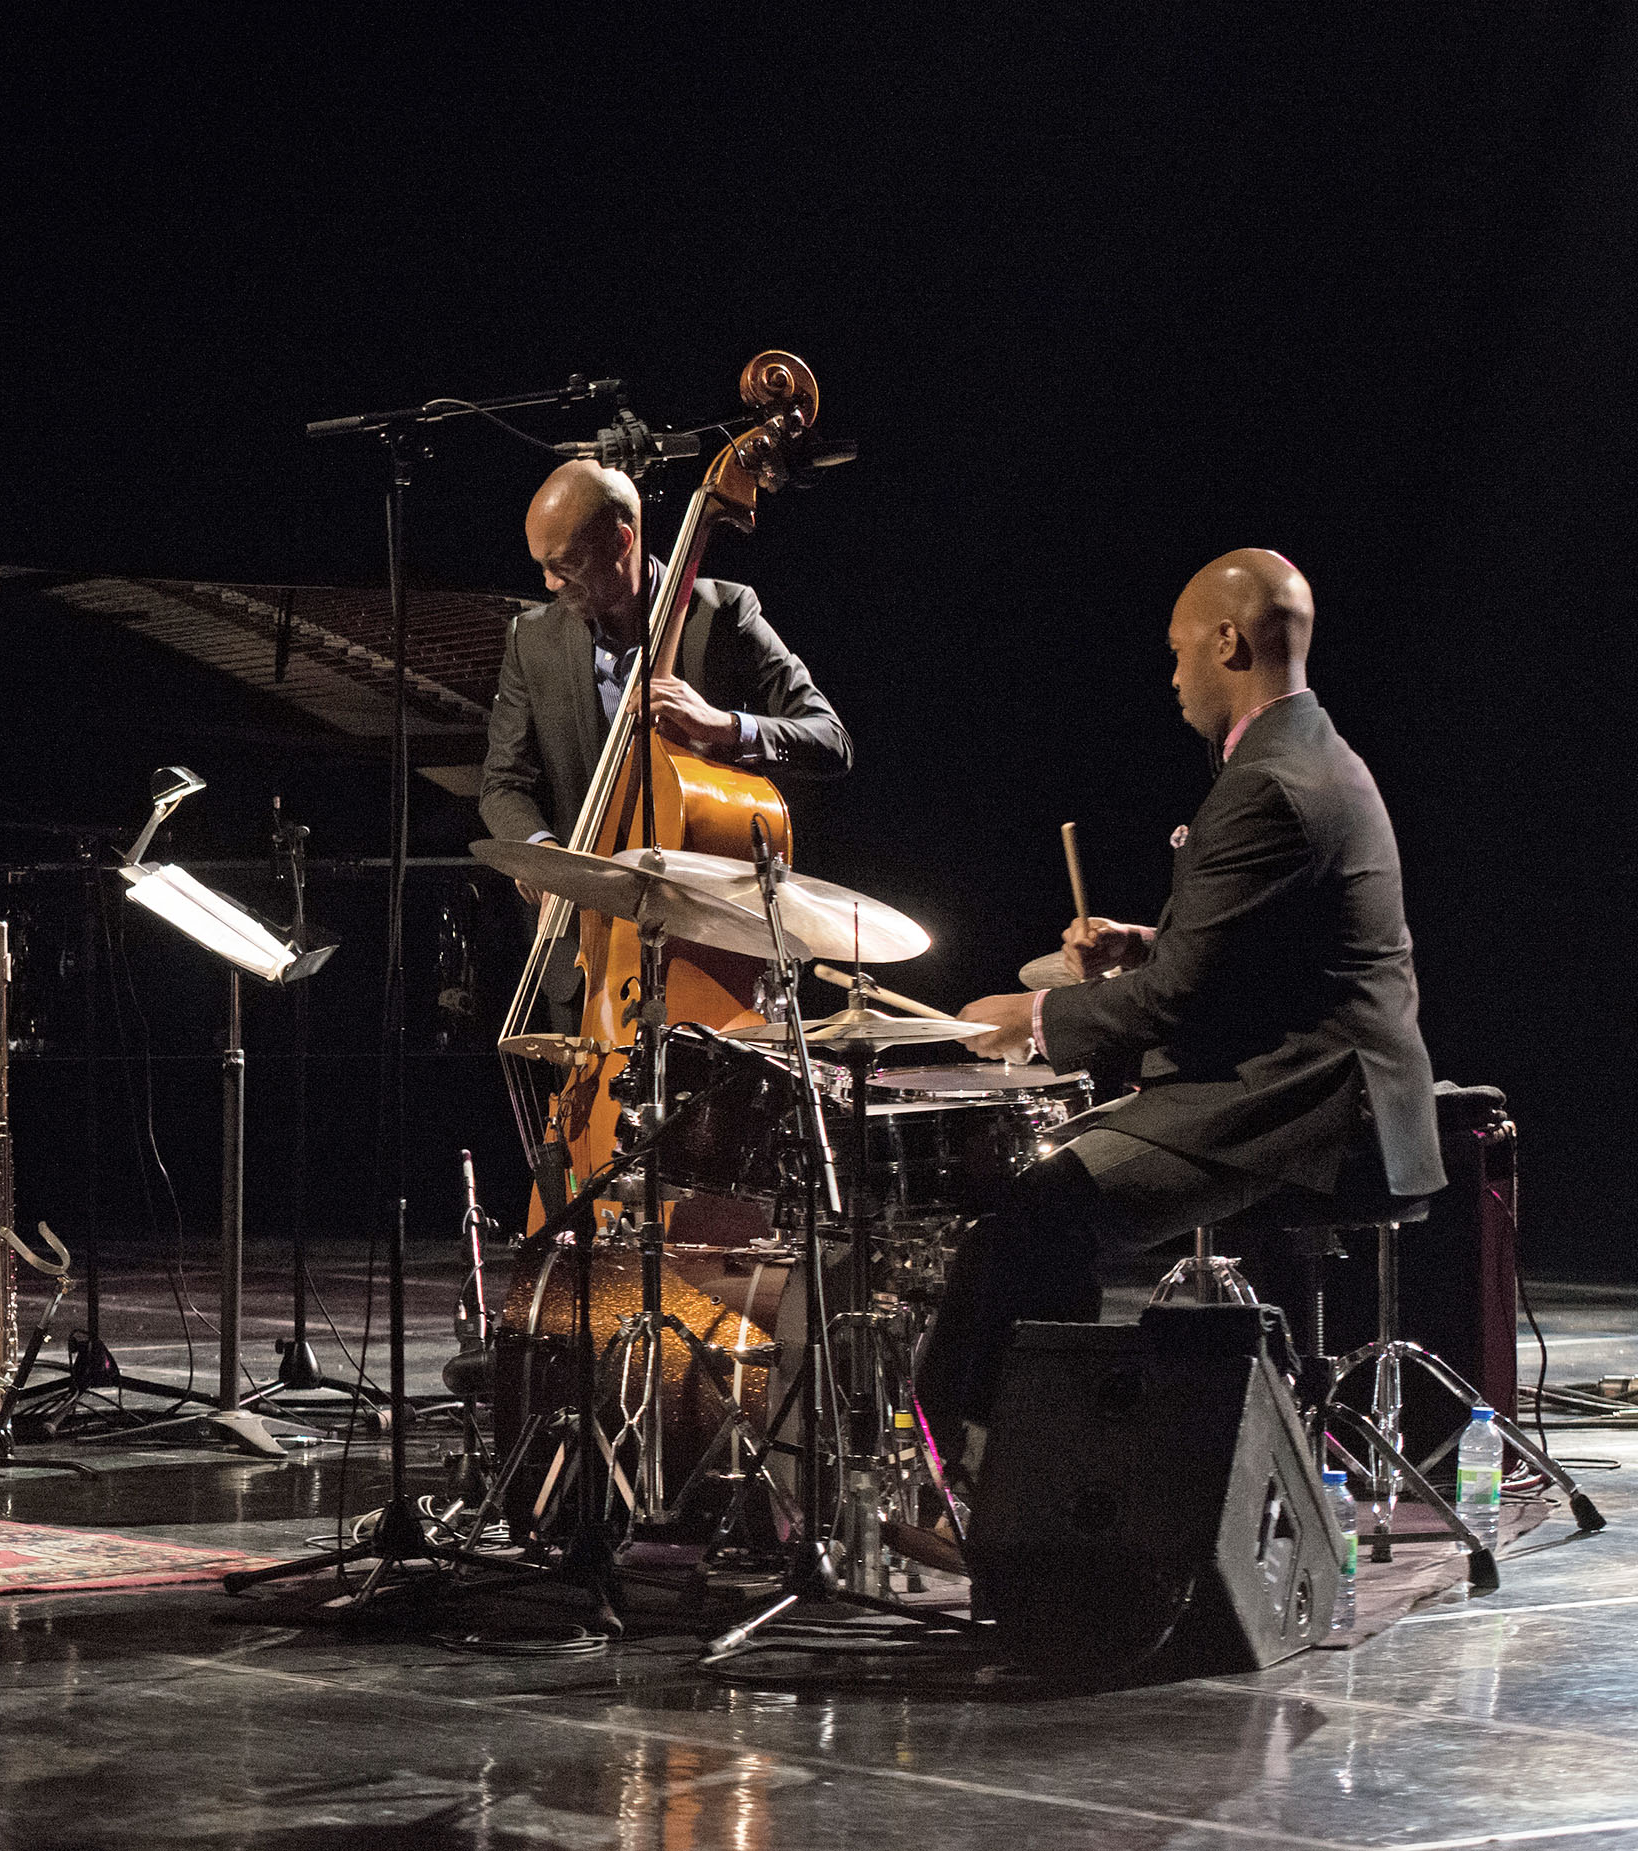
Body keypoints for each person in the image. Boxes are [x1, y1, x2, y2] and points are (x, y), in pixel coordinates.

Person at [922, 549, 1443, 1472]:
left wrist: (1036, 1019)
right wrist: (1143, 944)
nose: (1172, 676)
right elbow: (1255, 958)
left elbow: (1178, 1001)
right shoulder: (1314, 755)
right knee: (1041, 1196)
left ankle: (995, 1474)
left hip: (1305, 1108)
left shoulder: (1266, 786)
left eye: (1177, 651)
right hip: (1321, 1085)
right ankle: (995, 1465)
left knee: (1039, 1206)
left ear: (1229, 642)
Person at [480, 457, 850, 864]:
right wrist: (542, 853)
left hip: (704, 902)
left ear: (622, 541)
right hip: (583, 913)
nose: (550, 583)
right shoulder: (530, 639)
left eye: (566, 565)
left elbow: (831, 741)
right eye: (543, 567)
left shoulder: (727, 613)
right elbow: (503, 784)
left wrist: (724, 726)